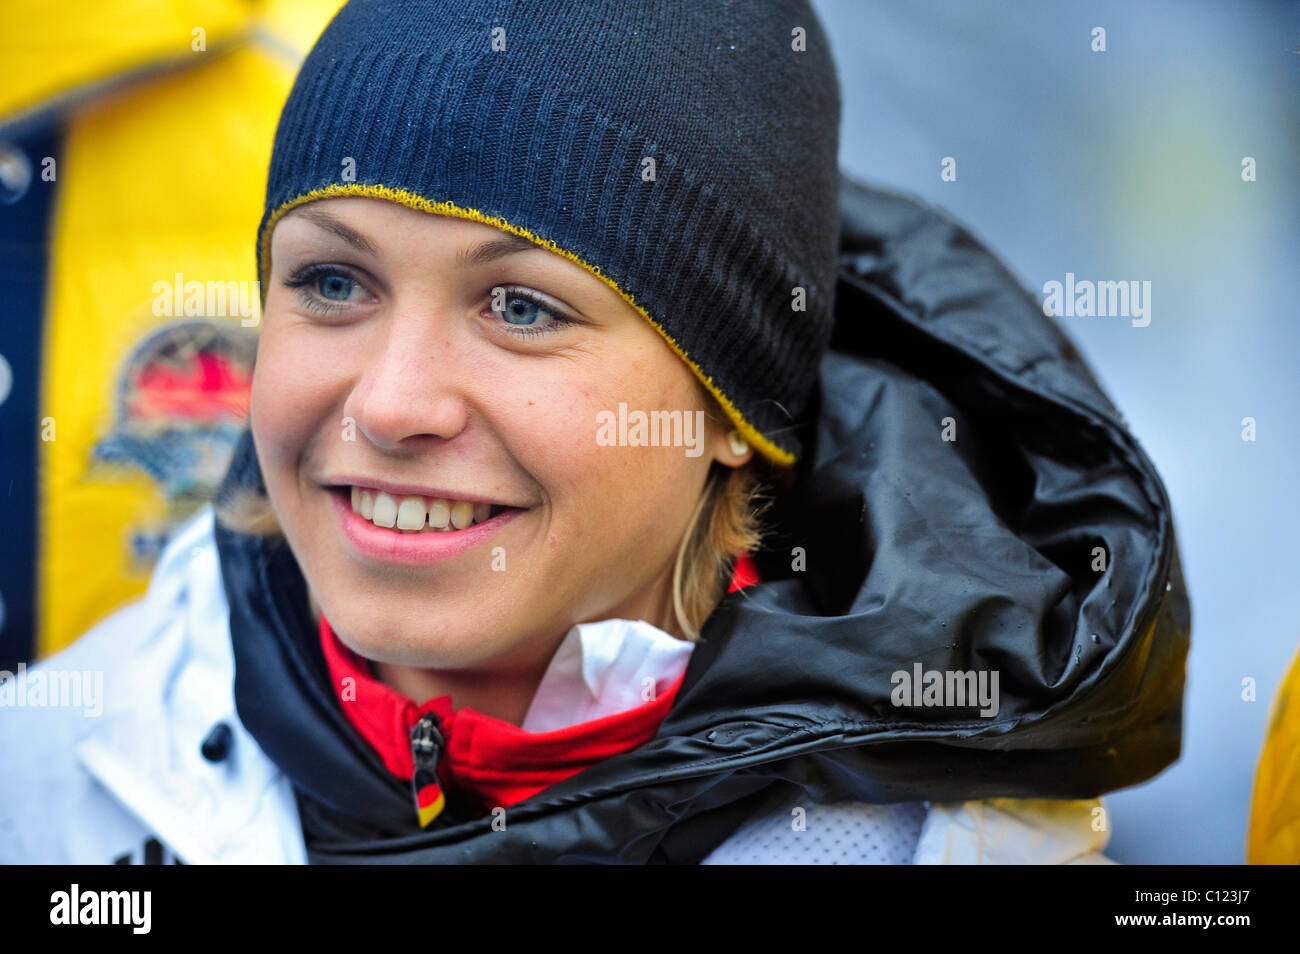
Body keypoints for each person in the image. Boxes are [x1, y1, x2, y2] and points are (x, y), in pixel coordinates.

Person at [0, 0, 1190, 864]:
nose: (391, 402)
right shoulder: (47, 782)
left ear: (732, 409)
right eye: (331, 285)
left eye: (521, 306)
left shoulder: (960, 845)